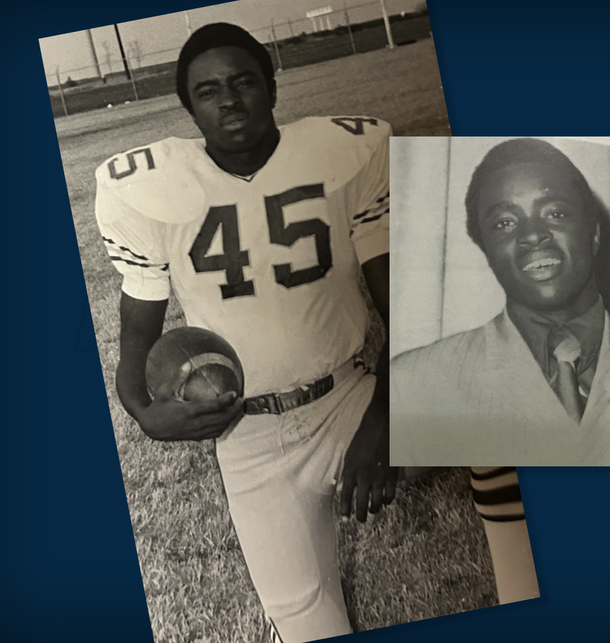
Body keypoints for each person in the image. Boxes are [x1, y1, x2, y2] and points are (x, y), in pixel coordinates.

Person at [94, 23, 395, 643]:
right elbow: (136, 328)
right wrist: (143, 410)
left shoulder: (343, 156)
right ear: (190, 109)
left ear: (272, 88)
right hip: (247, 432)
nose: (228, 100)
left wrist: (385, 420)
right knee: (306, 619)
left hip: (349, 397)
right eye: (208, 91)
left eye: (242, 82)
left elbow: (411, 305)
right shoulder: (152, 189)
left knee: (499, 427)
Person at [390, 138, 610, 467]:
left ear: (594, 235)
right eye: (504, 222)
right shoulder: (411, 385)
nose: (533, 235)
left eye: (555, 213)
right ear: (486, 251)